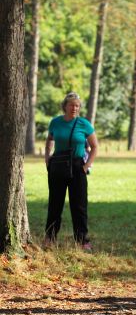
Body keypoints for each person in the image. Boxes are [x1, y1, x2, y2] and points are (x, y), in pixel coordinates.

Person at [44, 92, 98, 250]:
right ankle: (50, 238)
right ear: (65, 106)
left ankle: (82, 240)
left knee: (79, 205)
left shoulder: (84, 124)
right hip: (58, 165)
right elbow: (49, 141)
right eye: (71, 105)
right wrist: (47, 159)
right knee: (55, 203)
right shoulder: (55, 122)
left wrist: (86, 166)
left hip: (77, 167)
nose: (74, 108)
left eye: (77, 106)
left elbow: (94, 146)